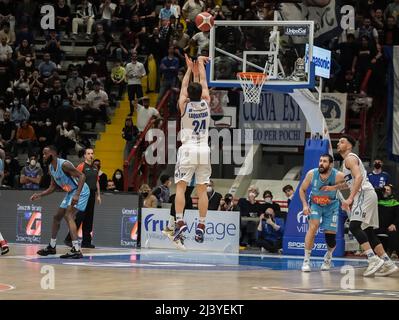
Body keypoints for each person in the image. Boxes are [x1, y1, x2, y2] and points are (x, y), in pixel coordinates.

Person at [323, 135, 398, 276]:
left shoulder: (350, 158)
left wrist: (350, 198)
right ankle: (388, 263)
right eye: (338, 142)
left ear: (350, 146)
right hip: (368, 194)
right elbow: (350, 182)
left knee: (354, 226)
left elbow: (359, 178)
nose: (338, 143)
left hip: (363, 193)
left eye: (342, 141)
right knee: (368, 231)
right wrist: (333, 188)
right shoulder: (347, 162)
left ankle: (372, 259)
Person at [168, 54, 212, 244]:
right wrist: (200, 65)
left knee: (181, 187)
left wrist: (188, 69)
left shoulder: (183, 105)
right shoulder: (207, 101)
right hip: (204, 149)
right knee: (202, 190)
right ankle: (201, 225)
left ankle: (179, 221)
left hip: (188, 149)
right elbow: (203, 81)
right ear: (201, 93)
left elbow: (185, 87)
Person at [30, 145, 90, 259]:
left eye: (45, 154)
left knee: (68, 215)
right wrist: (40, 194)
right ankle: (52, 246)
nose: (43, 156)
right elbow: (52, 187)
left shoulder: (64, 165)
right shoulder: (51, 167)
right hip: (70, 192)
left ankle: (76, 249)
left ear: (52, 154)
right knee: (57, 217)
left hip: (80, 190)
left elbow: (82, 176)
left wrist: (77, 194)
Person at [299, 154, 345, 272]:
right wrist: (304, 205)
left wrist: (334, 187)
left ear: (330, 164)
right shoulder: (311, 174)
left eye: (324, 161)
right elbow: (302, 190)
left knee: (330, 239)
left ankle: (328, 256)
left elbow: (351, 183)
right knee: (313, 227)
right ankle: (306, 261)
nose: (321, 163)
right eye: (320, 161)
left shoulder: (338, 175)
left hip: (331, 206)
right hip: (316, 204)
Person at [65, 148, 101, 249]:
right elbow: (74, 178)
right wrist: (77, 193)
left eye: (92, 153)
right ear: (84, 156)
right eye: (88, 153)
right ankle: (69, 239)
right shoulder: (81, 166)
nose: (90, 155)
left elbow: (96, 181)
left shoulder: (95, 168)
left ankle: (86, 241)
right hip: (83, 195)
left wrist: (98, 195)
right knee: (79, 217)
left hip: (92, 195)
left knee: (89, 218)